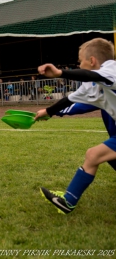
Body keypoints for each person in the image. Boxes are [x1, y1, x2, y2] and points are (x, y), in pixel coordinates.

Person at [35, 37, 116, 214]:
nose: (79, 65)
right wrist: (48, 112)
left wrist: (60, 73)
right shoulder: (94, 83)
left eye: (80, 61)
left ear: (92, 60)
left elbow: (90, 75)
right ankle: (68, 201)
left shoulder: (111, 69)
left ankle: (68, 201)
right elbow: (70, 100)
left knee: (94, 154)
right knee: (104, 155)